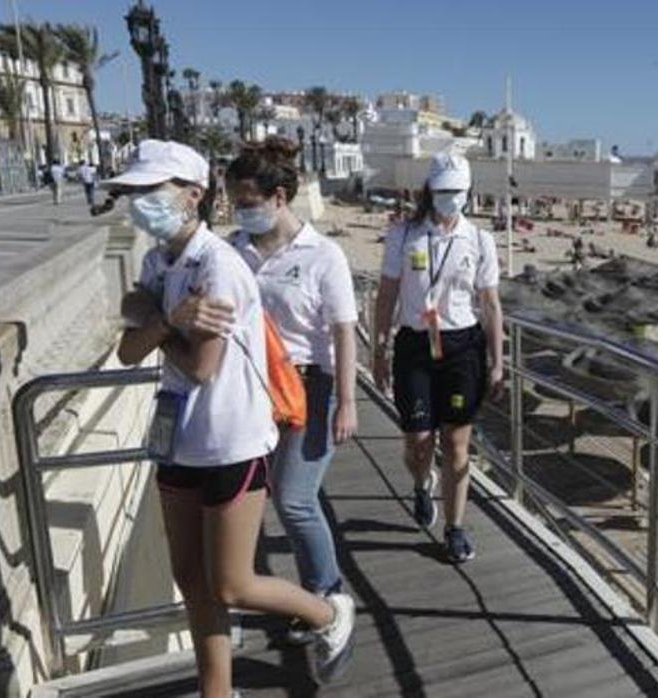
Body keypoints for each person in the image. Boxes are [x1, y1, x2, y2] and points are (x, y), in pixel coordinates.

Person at [111, 140, 355, 694]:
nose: (138, 202)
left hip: (230, 439)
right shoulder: (158, 261)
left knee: (233, 584)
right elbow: (128, 348)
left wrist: (157, 322)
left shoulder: (220, 265)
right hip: (177, 439)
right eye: (133, 192)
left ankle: (326, 612)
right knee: (191, 580)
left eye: (150, 191)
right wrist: (164, 318)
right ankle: (217, 692)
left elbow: (201, 366)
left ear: (192, 195)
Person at [174, 138, 360, 643]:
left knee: (295, 498)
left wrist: (347, 400)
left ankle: (329, 596)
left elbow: (343, 330)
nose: (241, 211)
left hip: (307, 387)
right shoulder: (232, 249)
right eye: (236, 201)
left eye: (250, 202)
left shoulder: (323, 255)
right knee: (265, 496)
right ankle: (285, 595)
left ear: (280, 197)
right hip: (250, 387)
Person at [373, 152, 504, 564]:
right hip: (415, 344)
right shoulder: (404, 235)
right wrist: (379, 349)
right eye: (443, 191)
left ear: (468, 193)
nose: (450, 199)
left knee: (456, 441)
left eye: (458, 192)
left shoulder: (480, 240)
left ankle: (455, 527)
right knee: (418, 442)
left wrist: (498, 361)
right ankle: (419, 482)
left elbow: (491, 305)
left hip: (462, 348)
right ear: (430, 191)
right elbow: (388, 293)